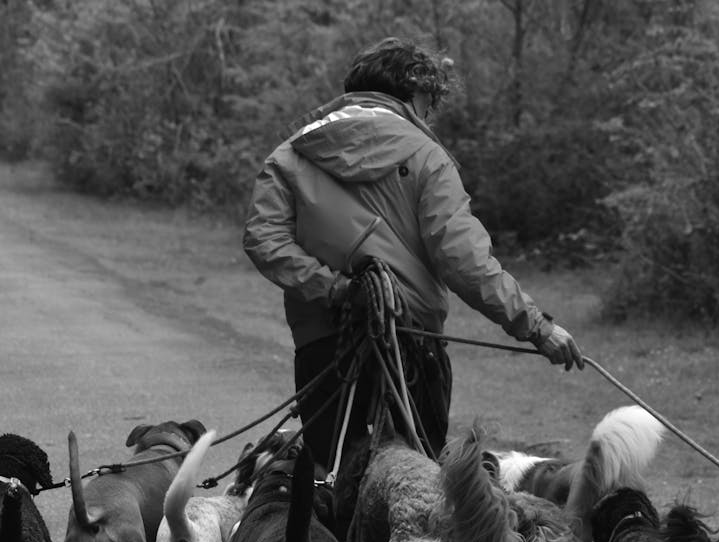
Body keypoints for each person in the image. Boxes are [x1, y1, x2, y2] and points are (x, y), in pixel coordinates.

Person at [243, 36, 583, 470]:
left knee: (331, 480)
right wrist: (536, 326)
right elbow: (464, 259)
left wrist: (335, 289)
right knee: (415, 483)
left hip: (324, 345)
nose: (427, 116)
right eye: (427, 103)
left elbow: (263, 239)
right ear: (413, 94)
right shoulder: (426, 156)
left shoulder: (289, 155)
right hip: (412, 346)